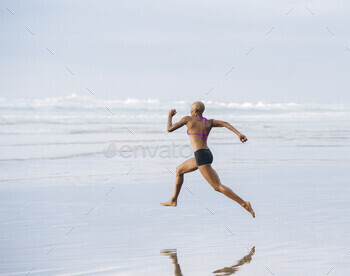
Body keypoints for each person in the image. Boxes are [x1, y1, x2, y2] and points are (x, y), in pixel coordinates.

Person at [160, 101, 255, 218]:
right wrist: (239, 134)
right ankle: (173, 200)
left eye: (191, 109)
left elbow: (169, 129)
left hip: (200, 156)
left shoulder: (188, 119)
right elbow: (225, 123)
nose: (190, 111)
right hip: (205, 154)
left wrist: (170, 116)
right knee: (179, 170)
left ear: (194, 111)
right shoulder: (208, 122)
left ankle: (244, 204)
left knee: (217, 186)